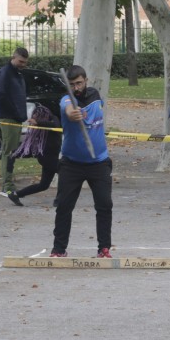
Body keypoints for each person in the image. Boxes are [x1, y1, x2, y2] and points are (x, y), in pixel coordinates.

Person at [51, 65, 113, 258]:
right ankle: (59, 249)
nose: (76, 87)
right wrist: (72, 113)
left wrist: (82, 113)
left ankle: (104, 248)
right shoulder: (66, 99)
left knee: (104, 205)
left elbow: (92, 109)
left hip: (99, 162)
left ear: (86, 80)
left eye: (79, 83)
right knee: (64, 206)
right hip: (72, 164)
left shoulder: (95, 95)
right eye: (72, 84)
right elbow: (68, 108)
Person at [7, 103, 62, 207]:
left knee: (43, 185)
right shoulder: (39, 131)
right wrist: (13, 155)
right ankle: (59, 200)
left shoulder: (53, 120)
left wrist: (38, 122)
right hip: (46, 158)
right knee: (65, 174)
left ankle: (16, 195)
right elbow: (27, 145)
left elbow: (55, 125)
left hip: (51, 158)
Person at [0, 47, 30, 196]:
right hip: (8, 118)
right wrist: (17, 113)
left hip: (16, 118)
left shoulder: (17, 73)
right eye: (21, 61)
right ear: (13, 57)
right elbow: (2, 96)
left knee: (12, 151)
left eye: (25, 62)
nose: (23, 64)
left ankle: (9, 182)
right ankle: (6, 185)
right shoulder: (5, 73)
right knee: (8, 151)